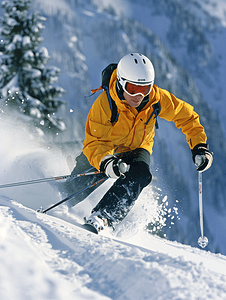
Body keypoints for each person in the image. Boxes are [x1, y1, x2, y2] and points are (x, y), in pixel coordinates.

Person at [69, 53, 213, 232]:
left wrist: (199, 147)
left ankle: (102, 218)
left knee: (141, 174)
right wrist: (106, 162)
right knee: (74, 190)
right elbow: (93, 143)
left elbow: (188, 118)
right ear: (121, 83)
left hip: (137, 147)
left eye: (145, 89)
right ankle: (52, 200)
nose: (138, 96)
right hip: (106, 150)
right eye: (132, 88)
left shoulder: (156, 99)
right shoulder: (105, 104)